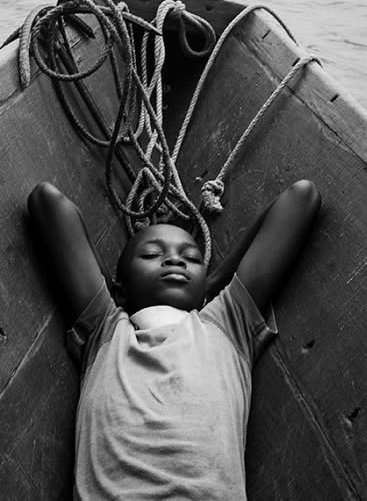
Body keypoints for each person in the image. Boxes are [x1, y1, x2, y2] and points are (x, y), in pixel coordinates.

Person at [27, 179, 321, 500]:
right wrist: (111, 293)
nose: (175, 260)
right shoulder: (106, 329)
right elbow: (47, 202)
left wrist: (214, 285)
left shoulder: (227, 322)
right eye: (152, 254)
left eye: (192, 259)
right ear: (121, 290)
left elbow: (301, 197)